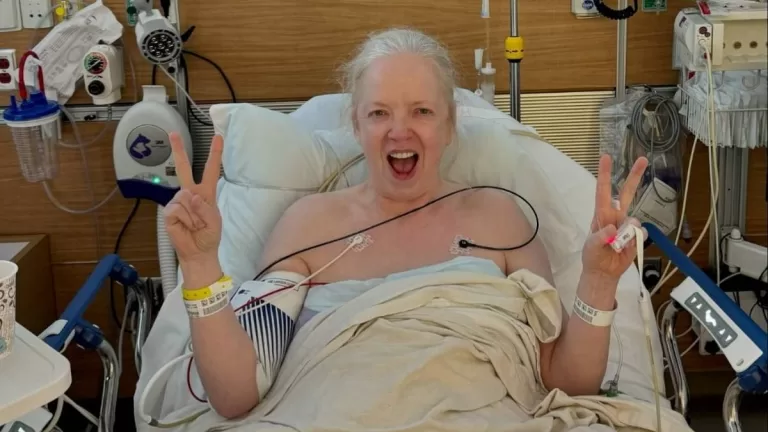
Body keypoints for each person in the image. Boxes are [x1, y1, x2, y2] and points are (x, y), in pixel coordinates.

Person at [163, 28, 649, 420]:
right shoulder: (309, 226)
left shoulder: (500, 220)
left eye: (421, 111)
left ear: (449, 125)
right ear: (356, 125)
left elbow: (567, 381)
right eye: (379, 113)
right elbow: (236, 394)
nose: (400, 131)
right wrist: (201, 264)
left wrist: (599, 281)